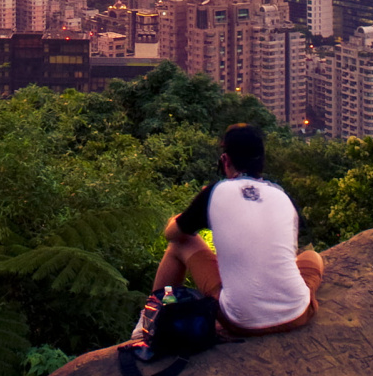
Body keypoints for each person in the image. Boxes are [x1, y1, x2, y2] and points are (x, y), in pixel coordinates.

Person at [138, 123, 323, 337]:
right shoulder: (282, 195)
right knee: (312, 257)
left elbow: (172, 234)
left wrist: (184, 215)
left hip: (239, 322)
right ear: (261, 162)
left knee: (180, 244)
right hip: (298, 314)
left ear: (225, 161)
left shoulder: (215, 192)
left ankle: (153, 318)